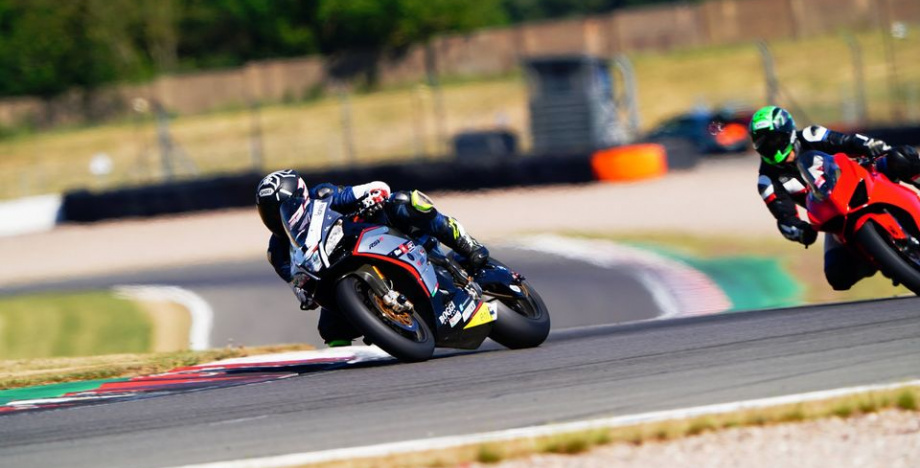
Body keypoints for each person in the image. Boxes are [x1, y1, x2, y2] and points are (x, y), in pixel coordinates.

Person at [255, 169, 490, 346]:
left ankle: (466, 243)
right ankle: (375, 339)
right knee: (330, 330)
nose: (276, 216)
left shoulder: (322, 194)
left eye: (281, 208)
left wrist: (371, 195)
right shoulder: (276, 251)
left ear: (301, 196)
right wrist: (304, 293)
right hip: (333, 273)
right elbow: (296, 283)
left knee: (404, 202)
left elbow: (358, 192)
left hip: (370, 238)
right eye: (268, 212)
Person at [750, 105, 920, 290]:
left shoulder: (811, 135)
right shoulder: (767, 180)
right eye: (762, 143)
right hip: (833, 213)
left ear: (787, 133)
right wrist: (799, 231)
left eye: (773, 139)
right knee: (837, 275)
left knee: (901, 157)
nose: (769, 146)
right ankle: (882, 259)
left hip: (864, 176)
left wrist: (870, 145)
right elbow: (784, 217)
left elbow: (846, 141)